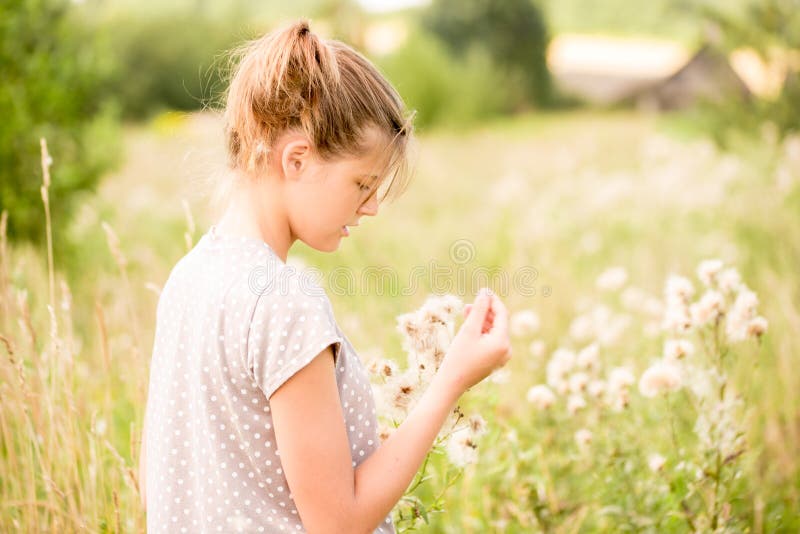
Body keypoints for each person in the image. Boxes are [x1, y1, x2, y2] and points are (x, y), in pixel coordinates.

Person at [140, 19, 512, 533]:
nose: (373, 205)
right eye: (362, 182)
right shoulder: (283, 302)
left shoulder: (189, 277)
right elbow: (338, 523)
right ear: (296, 159)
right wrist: (452, 381)